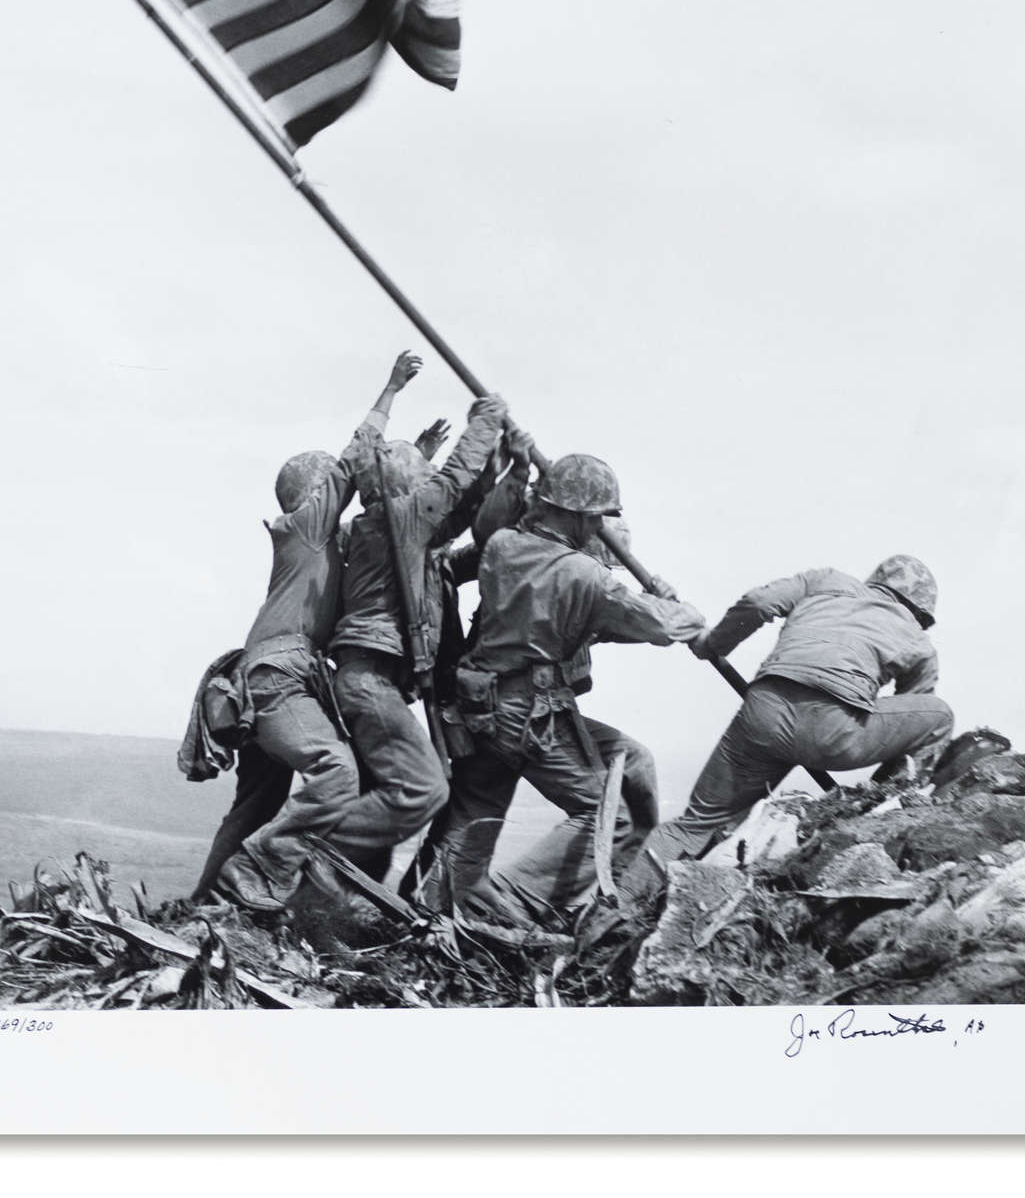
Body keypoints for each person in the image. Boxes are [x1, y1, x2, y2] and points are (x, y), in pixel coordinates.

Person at [424, 452, 706, 921]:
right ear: (575, 513)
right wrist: (677, 605)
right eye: (595, 517)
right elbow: (661, 626)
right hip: (529, 713)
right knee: (610, 817)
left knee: (479, 811)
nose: (598, 526)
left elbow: (573, 617)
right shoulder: (585, 575)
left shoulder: (503, 546)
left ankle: (437, 906)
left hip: (482, 705)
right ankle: (512, 902)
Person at [199, 351, 425, 910]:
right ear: (315, 493)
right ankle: (256, 876)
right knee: (336, 772)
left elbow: (385, 509)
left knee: (255, 803)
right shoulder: (304, 527)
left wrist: (418, 460)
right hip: (279, 679)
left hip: (262, 680)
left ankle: (206, 904)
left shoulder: (317, 544)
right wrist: (391, 389)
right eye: (332, 488)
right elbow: (354, 462)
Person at [615, 555, 954, 909]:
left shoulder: (826, 580)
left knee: (694, 824)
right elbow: (912, 718)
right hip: (834, 734)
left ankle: (618, 908)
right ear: (921, 611)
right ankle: (885, 810)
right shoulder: (919, 642)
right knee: (939, 716)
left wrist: (713, 645)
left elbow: (758, 603)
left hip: (763, 715)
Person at [322, 392, 512, 879]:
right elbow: (452, 485)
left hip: (372, 680)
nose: (430, 488)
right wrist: (485, 421)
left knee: (383, 807)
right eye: (421, 479)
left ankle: (326, 899)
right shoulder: (398, 518)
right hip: (370, 681)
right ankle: (310, 851)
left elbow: (462, 510)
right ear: (406, 487)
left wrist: (501, 465)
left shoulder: (390, 529)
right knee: (424, 790)